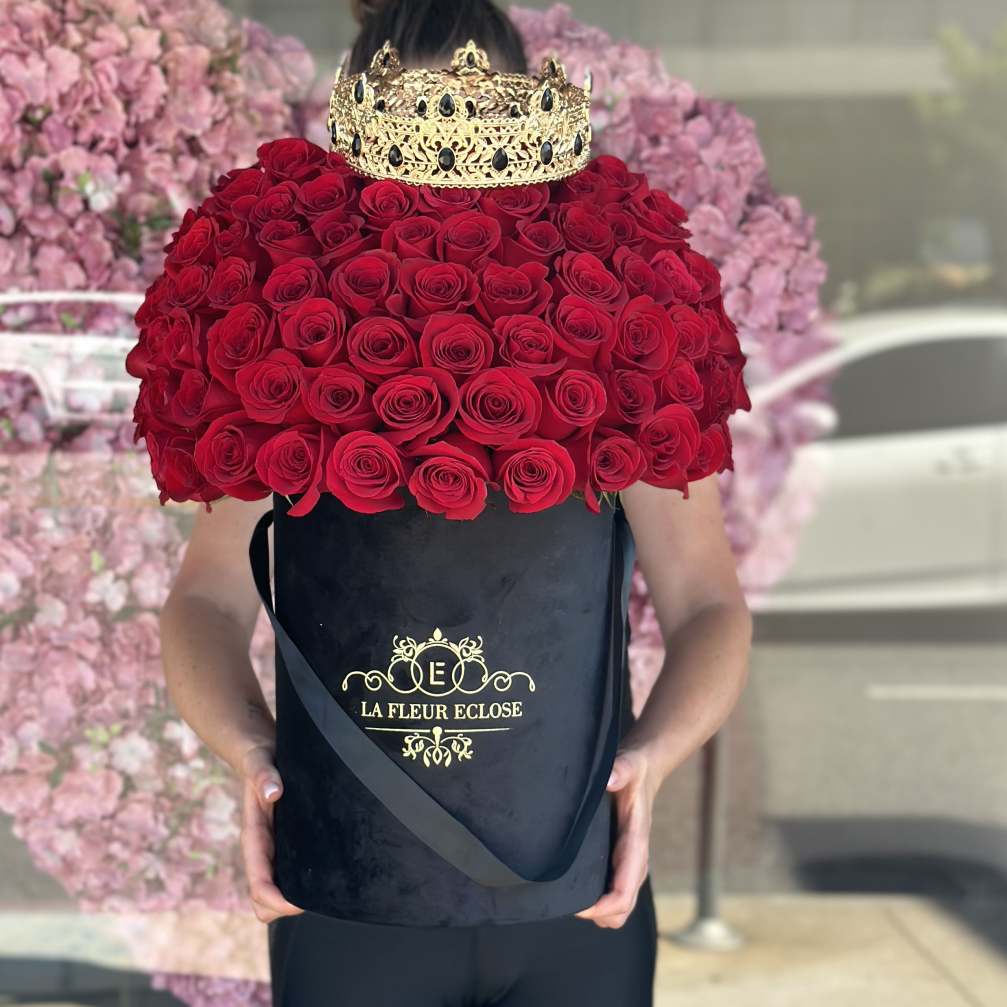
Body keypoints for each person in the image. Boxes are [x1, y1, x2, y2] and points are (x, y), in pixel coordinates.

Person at [156, 1, 753, 1003]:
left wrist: (647, 763)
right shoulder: (287, 330)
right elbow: (205, 599)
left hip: (574, 886)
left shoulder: (610, 325)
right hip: (350, 890)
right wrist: (252, 755)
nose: (444, 197)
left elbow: (708, 605)